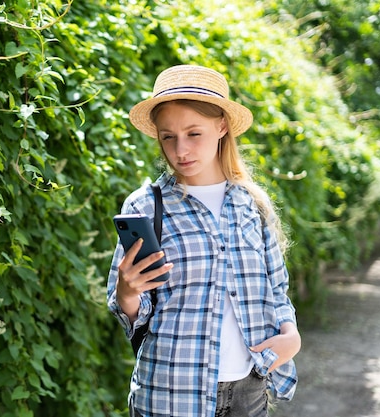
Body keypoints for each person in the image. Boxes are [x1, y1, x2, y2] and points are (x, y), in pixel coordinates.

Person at [106, 64, 301, 417]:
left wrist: (292, 335)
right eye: (168, 136)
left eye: (194, 133)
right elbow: (130, 314)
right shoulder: (145, 206)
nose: (181, 150)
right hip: (170, 392)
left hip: (249, 391)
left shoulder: (252, 204)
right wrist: (127, 291)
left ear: (222, 126)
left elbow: (276, 289)